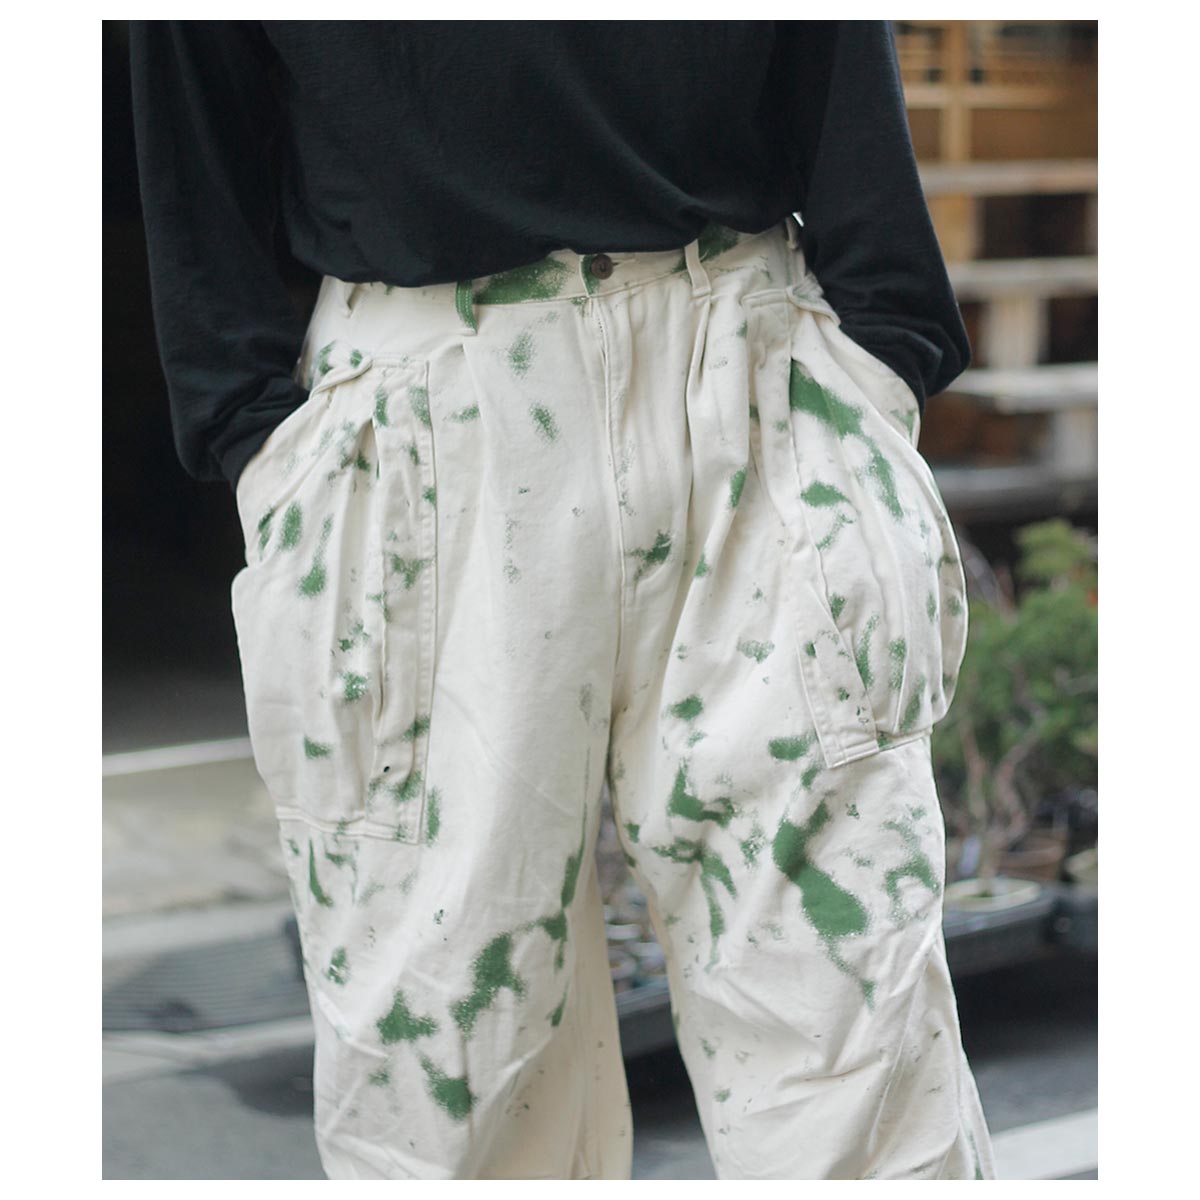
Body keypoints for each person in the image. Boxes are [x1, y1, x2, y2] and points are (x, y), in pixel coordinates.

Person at [129, 19, 997, 1181]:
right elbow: (194, 115)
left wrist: (880, 357)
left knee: (853, 1038)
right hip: (419, 422)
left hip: (750, 379)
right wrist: (257, 441)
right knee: (448, 1079)